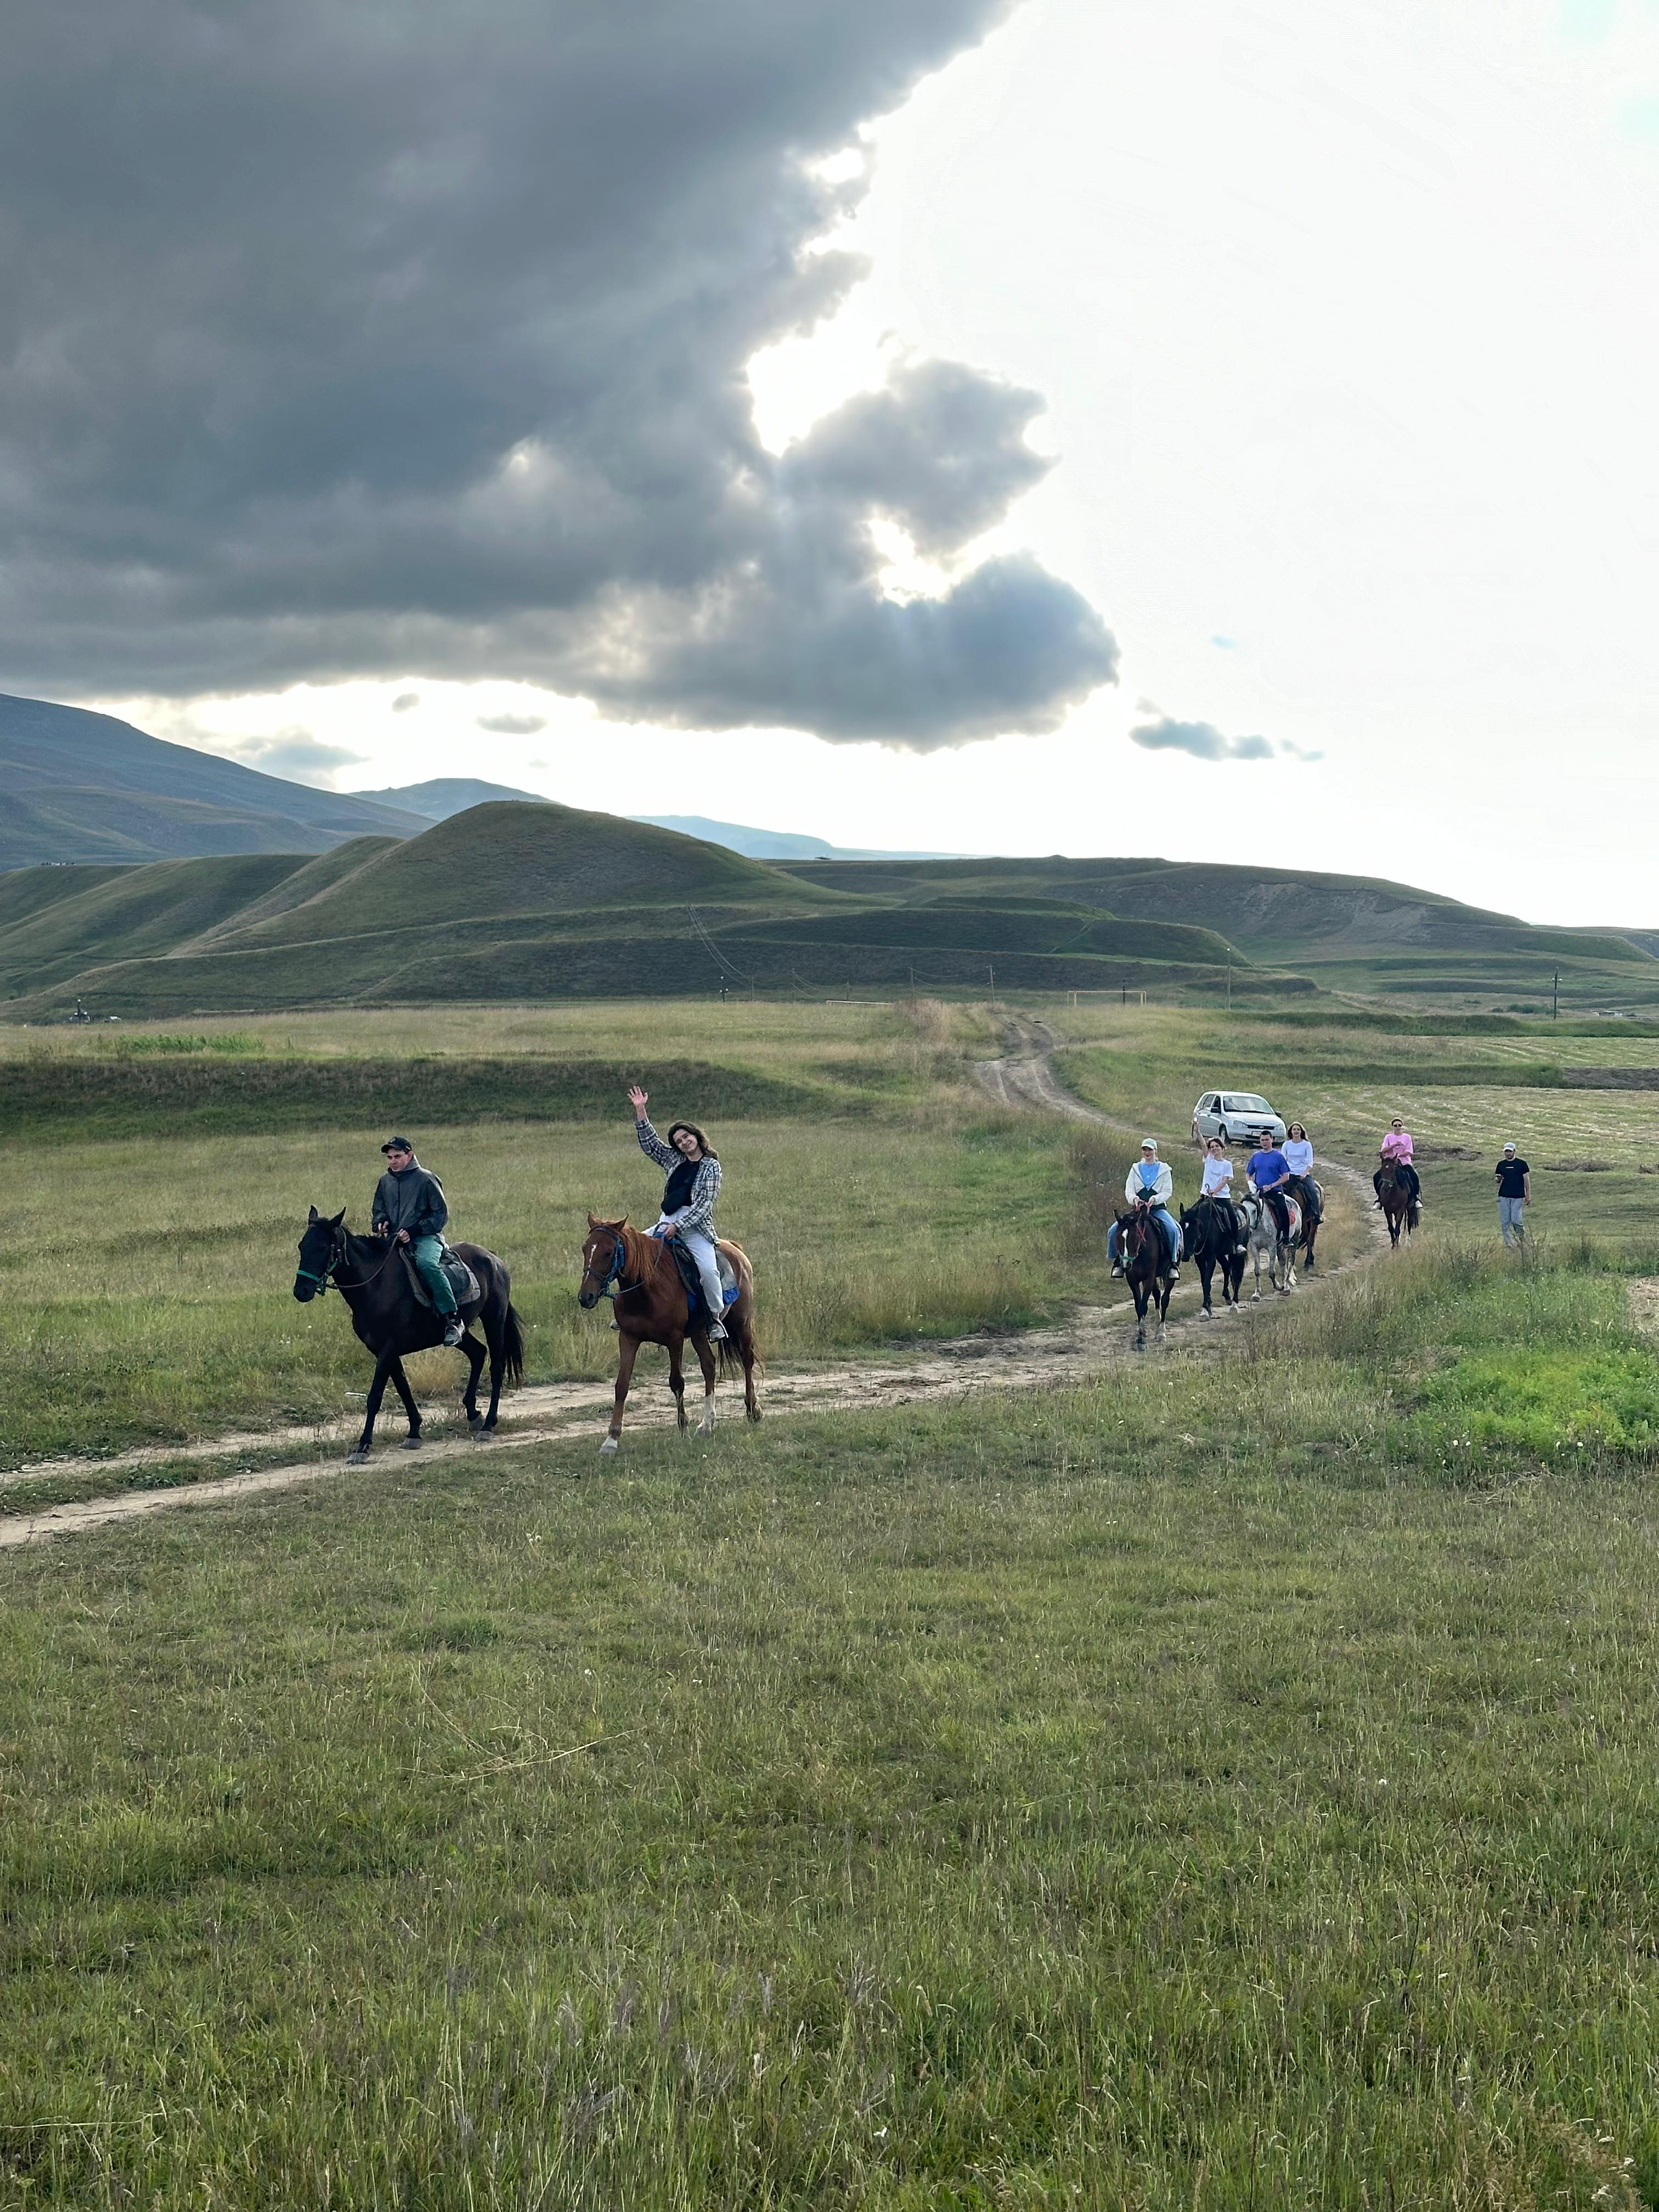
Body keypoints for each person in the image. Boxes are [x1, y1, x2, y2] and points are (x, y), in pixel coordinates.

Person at [628, 1085, 727, 1340]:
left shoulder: (711, 1167)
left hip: (696, 1227)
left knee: (709, 1271)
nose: (684, 1142)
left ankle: (715, 1319)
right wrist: (641, 1110)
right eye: (679, 1141)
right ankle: (630, 1312)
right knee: (631, 1252)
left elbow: (704, 1205)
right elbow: (650, 1145)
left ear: (696, 1136)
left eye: (687, 1137)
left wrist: (679, 1227)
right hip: (666, 1220)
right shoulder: (674, 1159)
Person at [372, 1136, 463, 1346]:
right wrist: (381, 1222)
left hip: (427, 1238)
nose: (393, 1161)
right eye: (389, 1157)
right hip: (395, 1239)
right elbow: (378, 1209)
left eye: (397, 1156)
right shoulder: (385, 1182)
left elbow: (440, 1215)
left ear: (410, 1155)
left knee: (427, 1264)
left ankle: (453, 1319)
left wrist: (414, 1230)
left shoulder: (427, 1179)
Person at [1109, 1139, 1181, 1280]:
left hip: (1157, 1209)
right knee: (1113, 1230)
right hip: (1138, 1211)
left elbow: (1167, 1191)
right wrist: (1135, 1199)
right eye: (1145, 1150)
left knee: (1173, 1230)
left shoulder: (1164, 1170)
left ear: (1155, 1151)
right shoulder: (1135, 1169)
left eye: (1150, 1150)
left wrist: (1155, 1199)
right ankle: (1117, 1262)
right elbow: (1129, 1189)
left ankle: (1173, 1264)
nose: (1147, 1153)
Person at [1248, 1135, 1296, 1246]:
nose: (1264, 1142)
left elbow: (1286, 1176)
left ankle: (1286, 1237)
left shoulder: (1278, 1156)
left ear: (1272, 1140)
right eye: (1262, 1140)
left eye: (1267, 1140)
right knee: (1247, 1207)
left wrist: (1272, 1185)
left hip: (1274, 1191)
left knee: (1283, 1209)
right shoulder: (1256, 1156)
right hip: (1259, 1191)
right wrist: (1250, 1183)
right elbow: (1248, 1174)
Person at [1198, 1136, 1243, 1248]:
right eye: (1212, 1147)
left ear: (1222, 1148)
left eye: (1217, 1146)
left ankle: (1237, 1243)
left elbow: (1225, 1180)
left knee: (1232, 1216)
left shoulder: (1227, 1164)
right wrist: (1197, 1131)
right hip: (1206, 1196)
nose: (1214, 1148)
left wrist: (1215, 1191)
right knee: (1192, 1214)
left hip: (1222, 1197)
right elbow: (1203, 1145)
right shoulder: (1208, 1160)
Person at [1373, 1117, 1423, 1211]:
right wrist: (1394, 1146)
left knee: (1414, 1176)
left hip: (1404, 1162)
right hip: (1391, 1162)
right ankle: (1380, 1199)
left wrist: (1399, 1155)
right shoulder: (1388, 1137)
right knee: (1377, 1177)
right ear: (1393, 1127)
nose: (1398, 1127)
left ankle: (1415, 1198)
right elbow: (1384, 1150)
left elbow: (1409, 1151)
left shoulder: (1407, 1137)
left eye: (1399, 1125)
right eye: (1396, 1125)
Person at [1281, 1122, 1322, 1229]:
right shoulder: (1286, 1145)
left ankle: (1316, 1215)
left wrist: (1304, 1174)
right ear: (1291, 1132)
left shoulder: (1307, 1145)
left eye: (1298, 1130)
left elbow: (1310, 1162)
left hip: (1303, 1174)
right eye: (1294, 1130)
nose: (1296, 1132)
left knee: (1312, 1191)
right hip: (1290, 1174)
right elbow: (1283, 1160)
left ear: (1301, 1132)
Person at [1495, 1141, 1530, 1246]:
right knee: (1505, 1222)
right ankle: (1510, 1245)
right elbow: (1497, 1179)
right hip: (1504, 1196)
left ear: (1514, 1151)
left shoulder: (1521, 1164)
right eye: (1506, 1151)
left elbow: (1526, 1180)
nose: (1508, 1153)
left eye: (1510, 1151)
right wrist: (1498, 1179)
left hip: (1518, 1196)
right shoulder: (1501, 1165)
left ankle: (1522, 1240)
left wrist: (1528, 1195)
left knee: (1516, 1220)